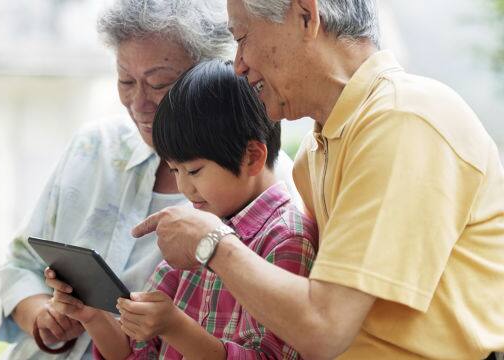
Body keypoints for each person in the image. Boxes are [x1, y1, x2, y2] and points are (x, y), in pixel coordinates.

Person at [132, 0, 504, 359]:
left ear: (306, 16)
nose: (238, 66)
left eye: (243, 38)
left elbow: (324, 329)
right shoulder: (316, 151)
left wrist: (210, 243)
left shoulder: (404, 119)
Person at [0, 0, 298, 359]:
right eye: (125, 80)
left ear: (210, 77)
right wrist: (45, 317)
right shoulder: (93, 146)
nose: (139, 103)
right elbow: (20, 266)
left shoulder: (256, 200)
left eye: (159, 83)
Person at [45, 59, 317, 360]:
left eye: (194, 170)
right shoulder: (193, 227)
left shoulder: (286, 238)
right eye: (174, 170)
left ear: (252, 157)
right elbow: (136, 352)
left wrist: (175, 327)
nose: (184, 188)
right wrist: (92, 315)